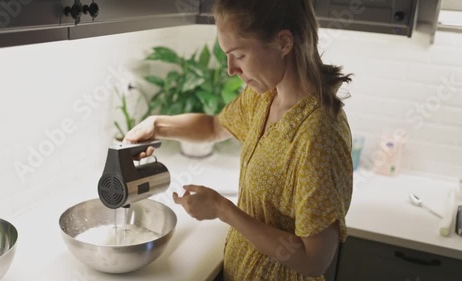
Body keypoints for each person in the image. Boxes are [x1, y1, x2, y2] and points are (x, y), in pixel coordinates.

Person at [125, 0, 353, 280]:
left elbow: (314, 259)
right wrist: (156, 125)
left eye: (240, 55)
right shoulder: (266, 97)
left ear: (283, 42)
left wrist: (223, 210)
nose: (231, 69)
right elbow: (213, 127)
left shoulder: (318, 134)